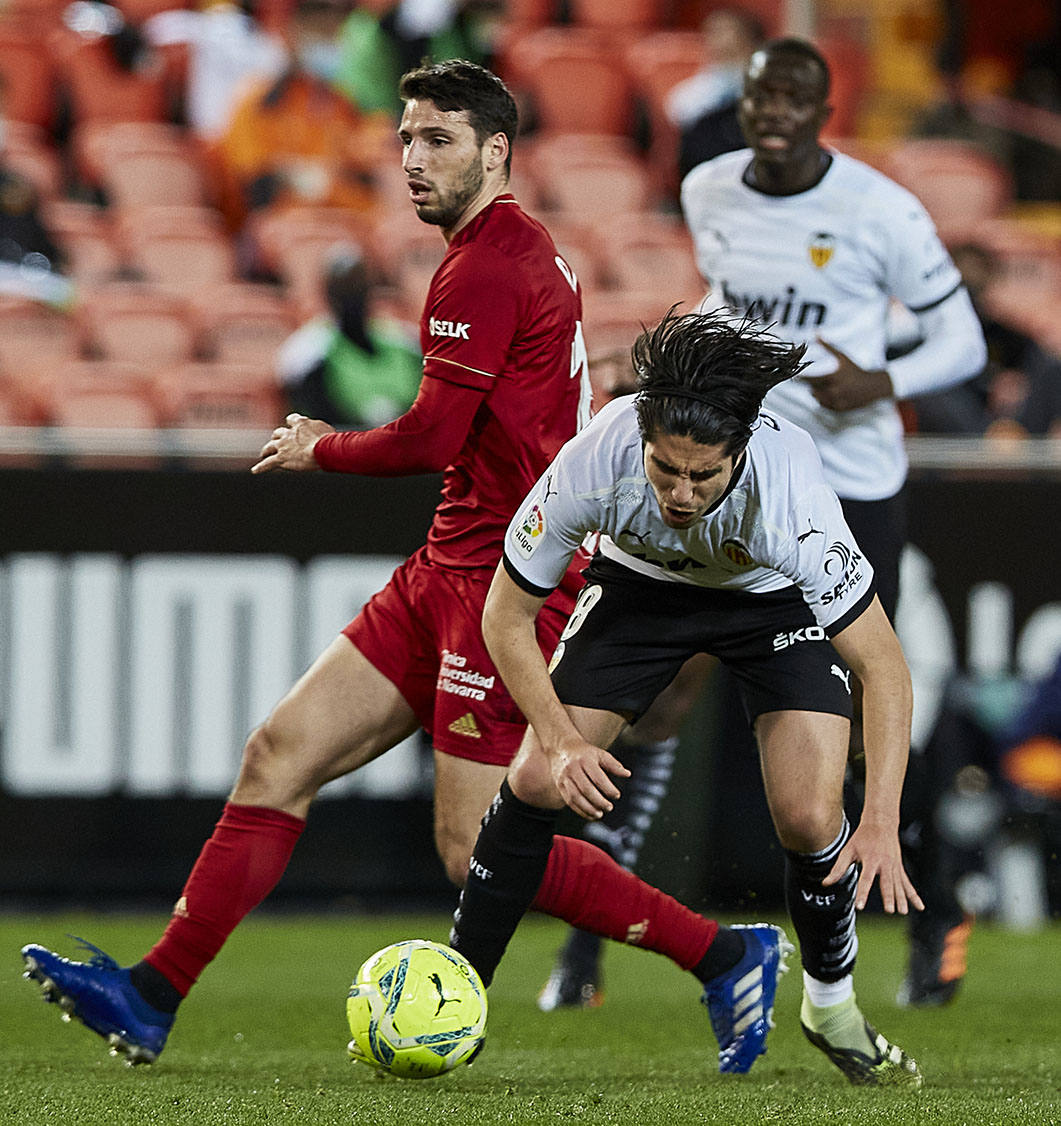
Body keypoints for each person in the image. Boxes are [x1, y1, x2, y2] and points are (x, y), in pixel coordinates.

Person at [20, 58, 599, 1066]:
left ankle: (719, 953)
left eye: (438, 141)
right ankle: (152, 996)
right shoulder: (498, 253)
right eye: (407, 139)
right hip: (448, 563)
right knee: (278, 755)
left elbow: (428, 437)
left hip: (503, 582)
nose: (412, 160)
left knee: (471, 852)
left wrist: (316, 445)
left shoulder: (489, 264)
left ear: (496, 152)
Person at [449, 308, 924, 1087]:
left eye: (702, 476)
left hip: (770, 603)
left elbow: (886, 668)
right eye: (664, 468)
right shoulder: (595, 457)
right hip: (643, 589)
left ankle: (829, 1006)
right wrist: (562, 741)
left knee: (809, 818)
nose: (679, 491)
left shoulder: (792, 508)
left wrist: (876, 820)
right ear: (641, 438)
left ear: (738, 451)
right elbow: (505, 613)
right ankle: (457, 990)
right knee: (534, 777)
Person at [679, 37, 988, 1007]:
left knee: (858, 718)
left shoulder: (877, 209)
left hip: (852, 489)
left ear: (821, 110)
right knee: (695, 690)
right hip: (750, 481)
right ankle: (597, 945)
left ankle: (935, 909)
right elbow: (728, 304)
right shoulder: (708, 191)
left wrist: (878, 380)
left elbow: (962, 337)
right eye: (756, 92)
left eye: (790, 96)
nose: (768, 109)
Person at [276, 241, 424, 427]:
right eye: (344, 288)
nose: (353, 297)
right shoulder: (307, 351)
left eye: (358, 286)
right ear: (327, 292)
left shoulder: (405, 343)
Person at [665, 6, 766, 182]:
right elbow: (679, 113)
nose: (715, 38)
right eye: (711, 31)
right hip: (705, 172)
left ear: (748, 38)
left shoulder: (768, 87)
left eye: (724, 31)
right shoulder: (692, 93)